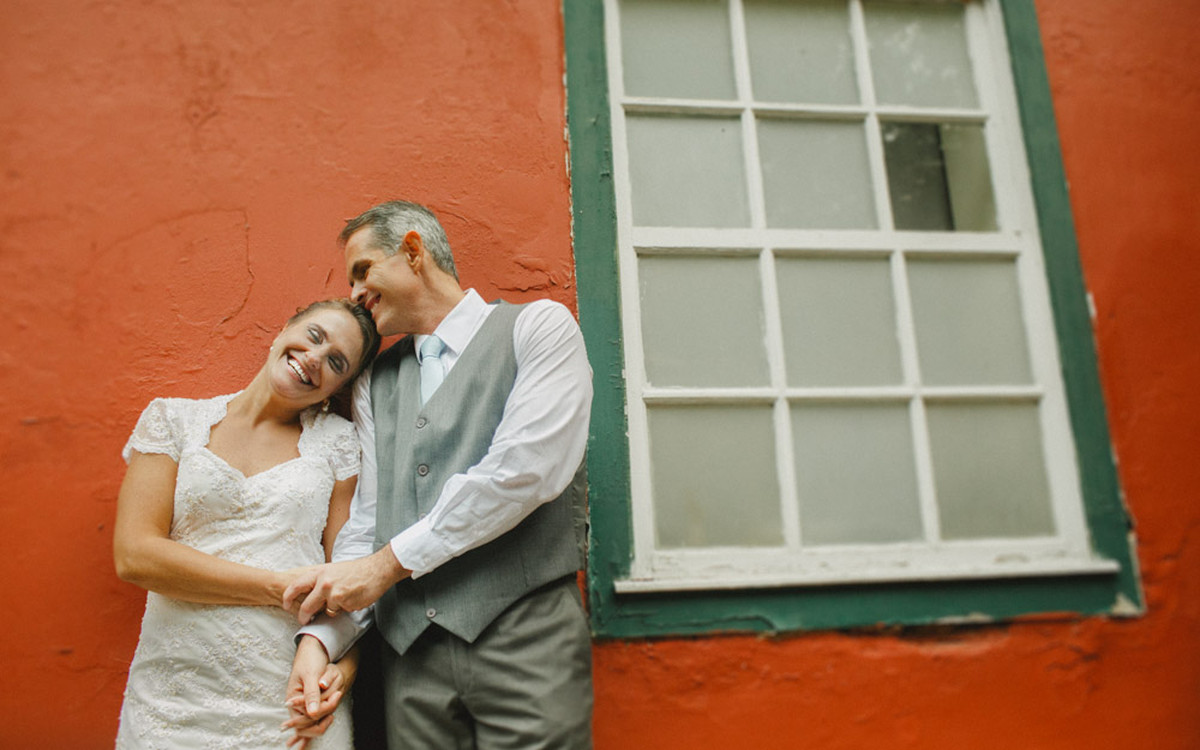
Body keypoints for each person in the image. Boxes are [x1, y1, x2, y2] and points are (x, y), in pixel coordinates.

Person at [283, 200, 594, 749]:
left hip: (528, 644)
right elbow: (369, 521)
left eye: (363, 270)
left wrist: (385, 566)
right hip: (411, 660)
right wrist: (320, 640)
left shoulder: (539, 327)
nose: (355, 293)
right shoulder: (374, 381)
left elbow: (524, 472)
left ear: (413, 250)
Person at [112, 298, 381, 749]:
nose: (314, 358)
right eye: (314, 336)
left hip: (288, 699)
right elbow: (134, 556)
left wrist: (343, 672)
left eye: (336, 362)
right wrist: (278, 587)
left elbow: (350, 582)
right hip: (171, 700)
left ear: (340, 386)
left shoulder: (339, 445)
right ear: (284, 329)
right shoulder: (173, 421)